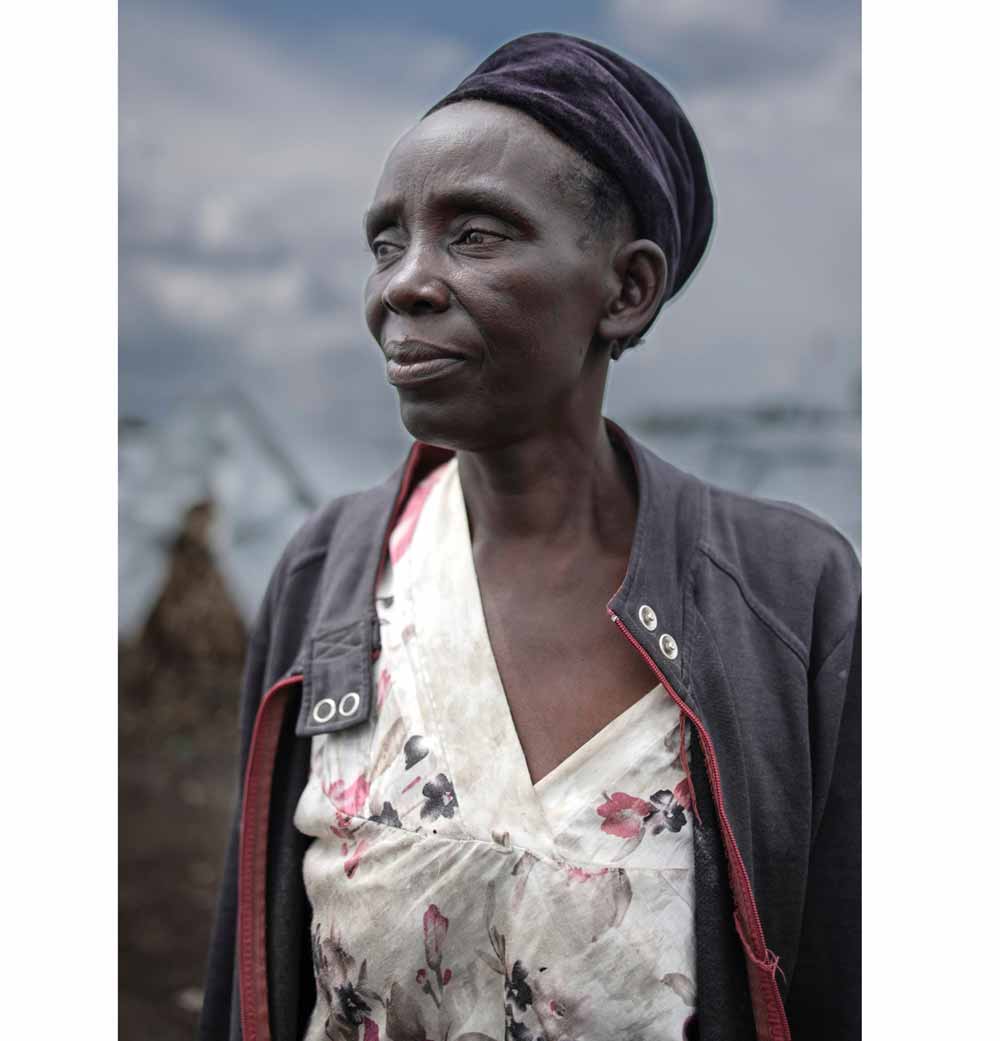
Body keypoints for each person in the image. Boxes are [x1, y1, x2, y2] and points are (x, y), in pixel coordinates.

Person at [200, 32, 860, 1041]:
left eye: (474, 235)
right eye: (387, 244)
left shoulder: (789, 593)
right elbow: (247, 972)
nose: (401, 288)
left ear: (626, 289)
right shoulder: (326, 575)